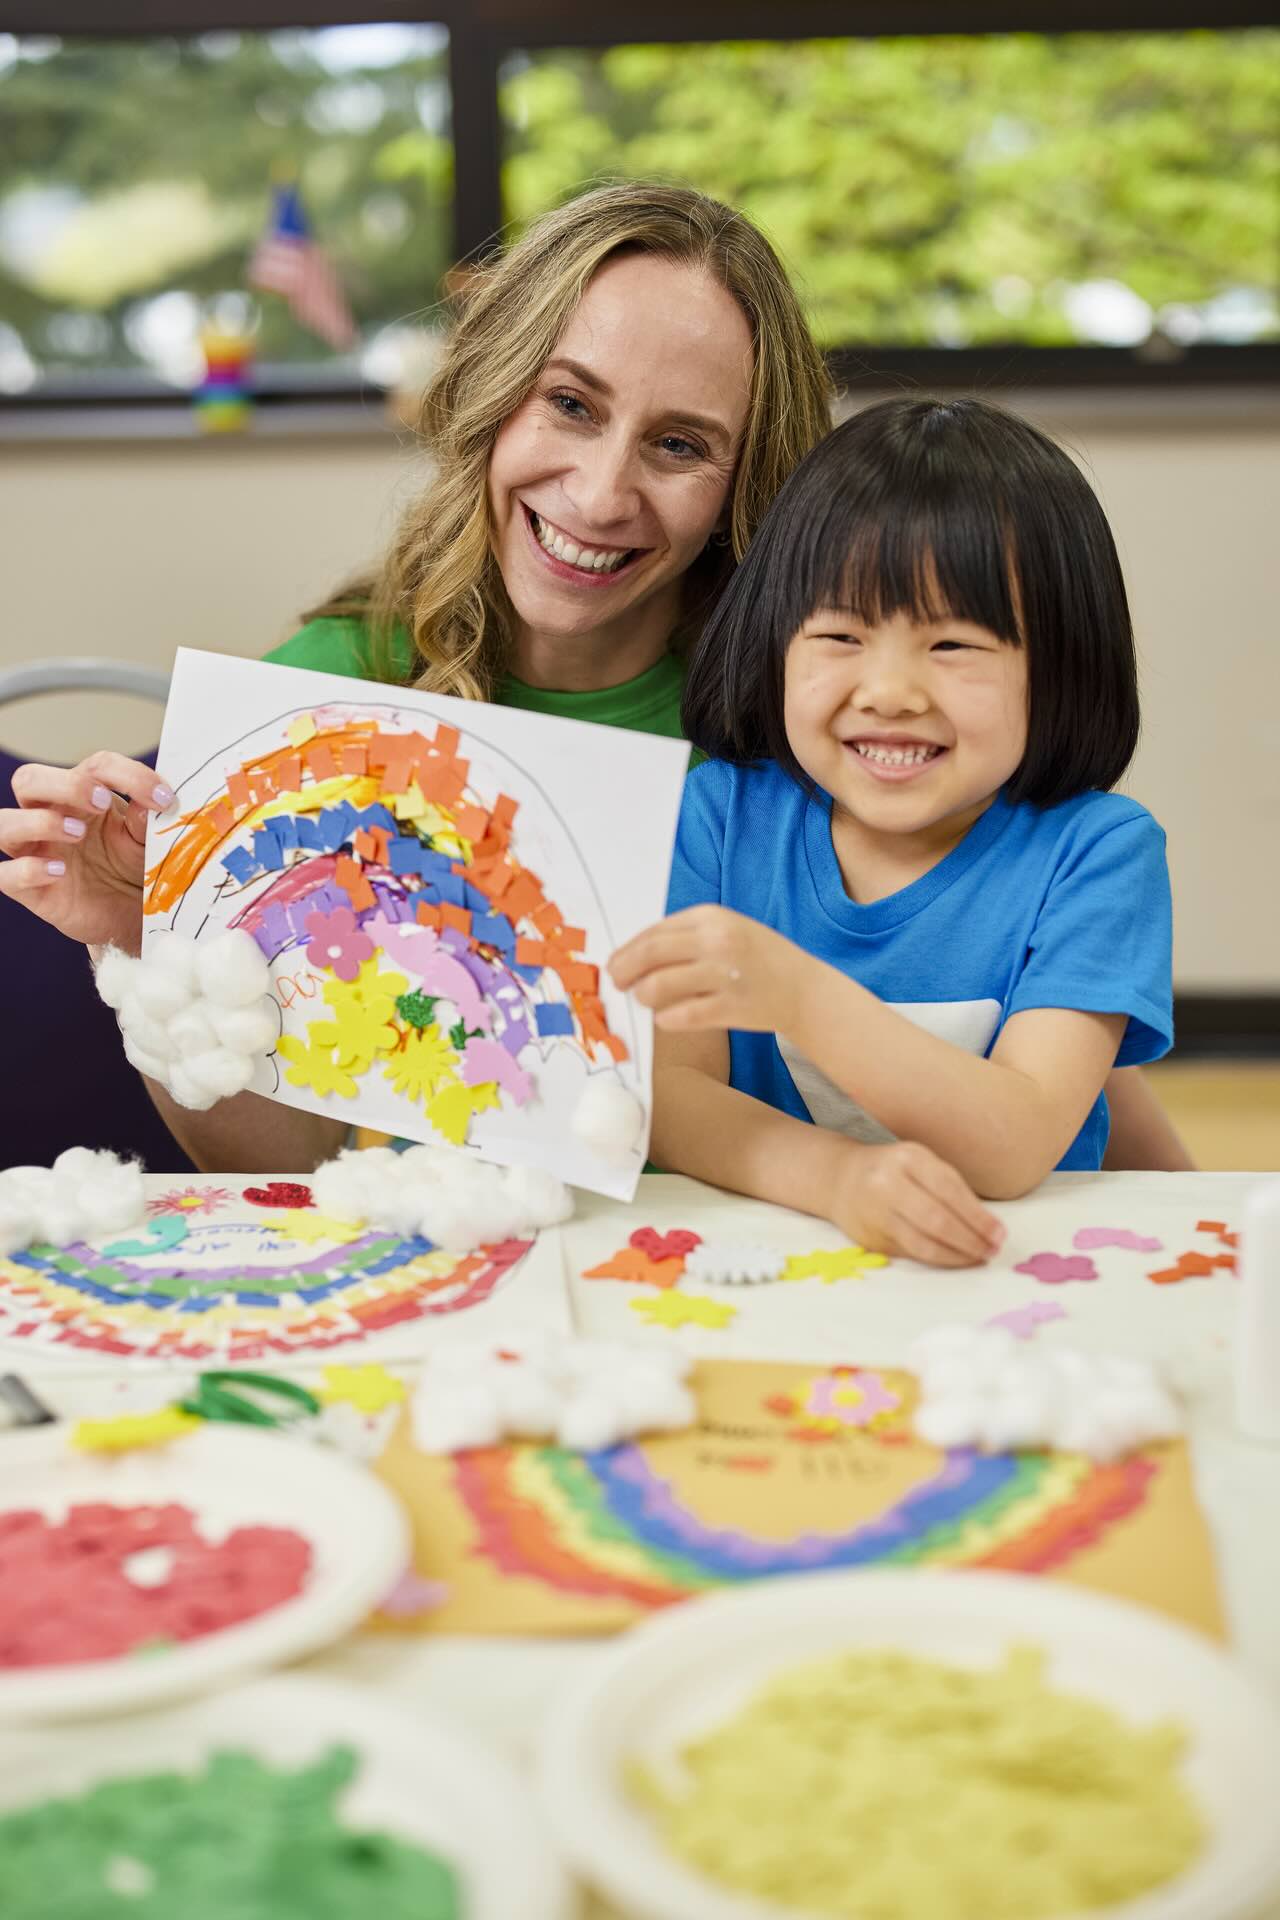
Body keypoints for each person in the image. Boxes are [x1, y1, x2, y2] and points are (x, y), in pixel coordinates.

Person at [0, 185, 1187, 1184]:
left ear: (741, 481)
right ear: (488, 397)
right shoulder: (327, 706)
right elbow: (284, 1165)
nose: (601, 492)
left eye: (679, 445)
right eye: (568, 404)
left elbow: (1020, 1034)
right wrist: (152, 953)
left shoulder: (805, 718)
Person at [610, 397, 1176, 1267]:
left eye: (952, 645)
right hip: (770, 1263)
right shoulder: (718, 818)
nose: (889, 691)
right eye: (840, 633)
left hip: (1020, 1279)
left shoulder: (1097, 853)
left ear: (1060, 664)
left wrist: (798, 997)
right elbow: (672, 1094)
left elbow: (1019, 1139)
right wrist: (838, 1181)